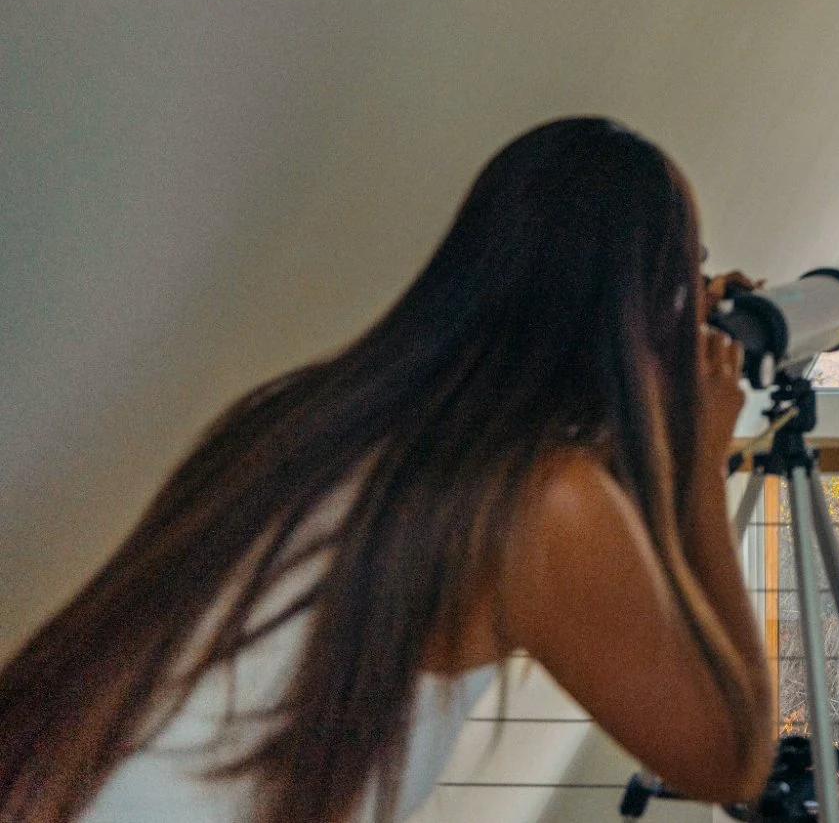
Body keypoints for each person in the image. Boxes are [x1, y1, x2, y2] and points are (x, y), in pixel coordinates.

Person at [0, 117, 776, 823]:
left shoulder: (300, 416)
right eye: (686, 272)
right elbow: (731, 761)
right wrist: (701, 465)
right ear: (636, 303)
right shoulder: (541, 501)